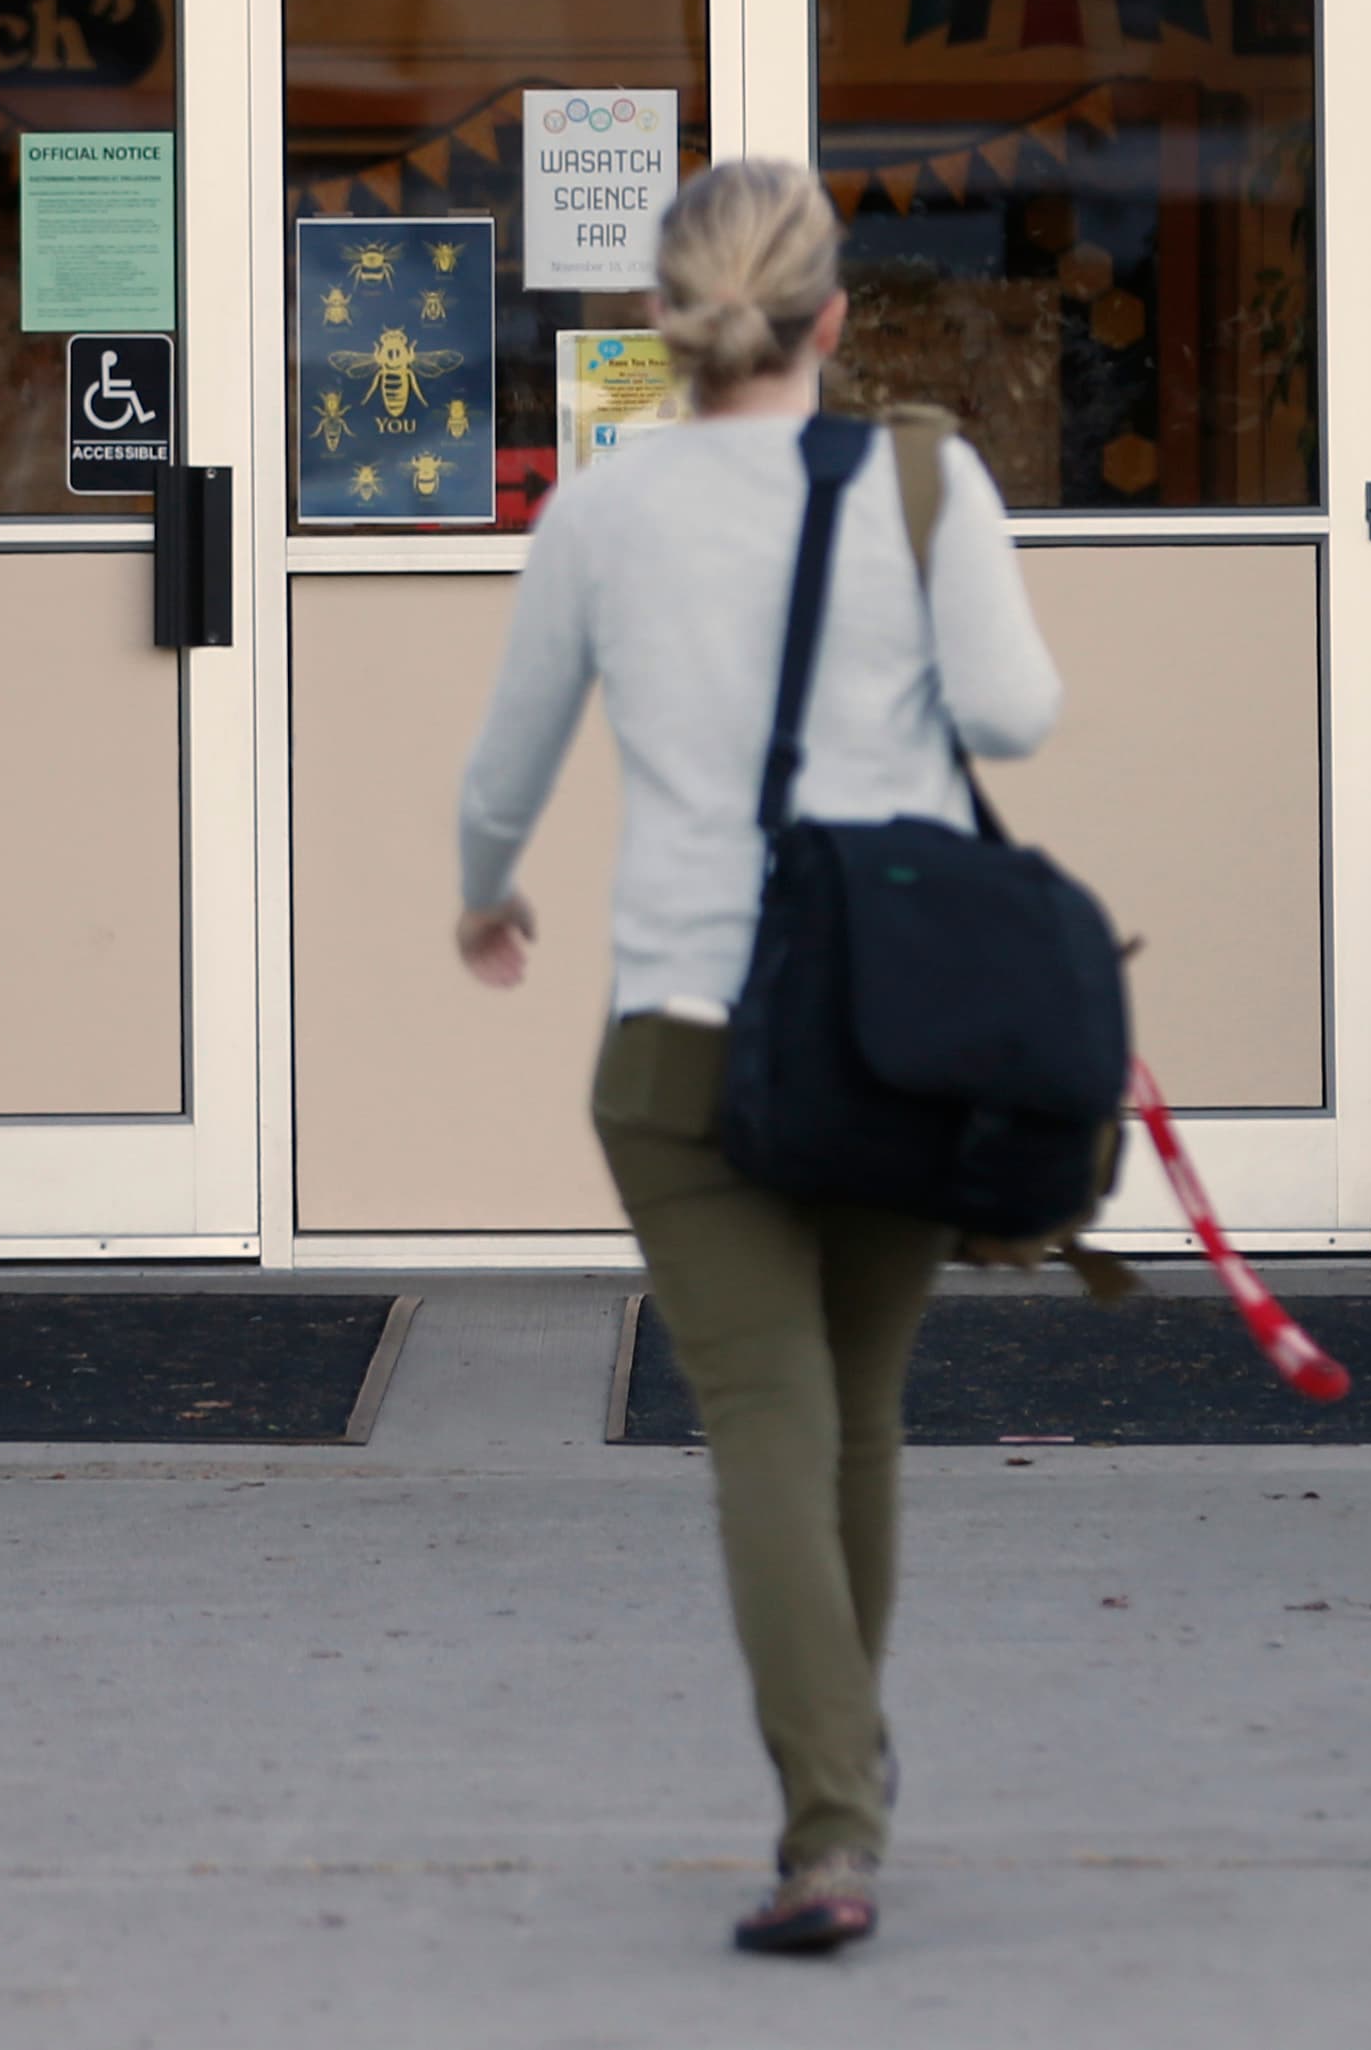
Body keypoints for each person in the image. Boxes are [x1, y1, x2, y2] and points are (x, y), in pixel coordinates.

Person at [452, 159, 1063, 1955]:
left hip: (683, 1039)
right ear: (836, 317)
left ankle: (831, 1823)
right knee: (850, 1412)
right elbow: (1018, 711)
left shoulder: (606, 510)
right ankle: (838, 1781)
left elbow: (506, 766)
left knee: (769, 1420)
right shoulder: (925, 480)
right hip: (898, 1029)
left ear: (666, 322)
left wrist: (485, 902)